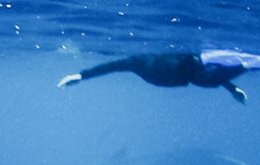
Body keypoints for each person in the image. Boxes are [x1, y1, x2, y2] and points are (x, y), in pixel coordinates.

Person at [57, 50, 260, 103]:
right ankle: (247, 65)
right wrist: (81, 75)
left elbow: (210, 77)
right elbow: (112, 66)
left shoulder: (197, 72)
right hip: (175, 74)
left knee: (210, 78)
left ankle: (248, 65)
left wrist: (233, 89)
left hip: (184, 75)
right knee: (210, 79)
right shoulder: (141, 62)